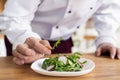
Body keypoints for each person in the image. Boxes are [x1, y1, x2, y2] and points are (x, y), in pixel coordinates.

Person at [0, 0, 120, 65]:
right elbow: (14, 17)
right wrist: (25, 37)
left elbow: (108, 10)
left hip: (63, 42)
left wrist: (106, 39)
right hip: (24, 40)